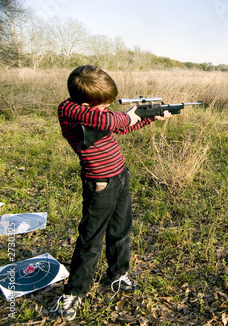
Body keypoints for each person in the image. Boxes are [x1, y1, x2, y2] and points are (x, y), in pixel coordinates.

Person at [53, 65, 171, 321]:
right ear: (84, 103)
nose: (106, 110)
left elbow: (120, 127)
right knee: (91, 240)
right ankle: (74, 292)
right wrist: (129, 115)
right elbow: (112, 120)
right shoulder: (69, 110)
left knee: (121, 230)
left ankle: (118, 275)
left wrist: (149, 116)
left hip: (120, 176)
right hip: (100, 183)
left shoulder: (94, 114)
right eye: (103, 106)